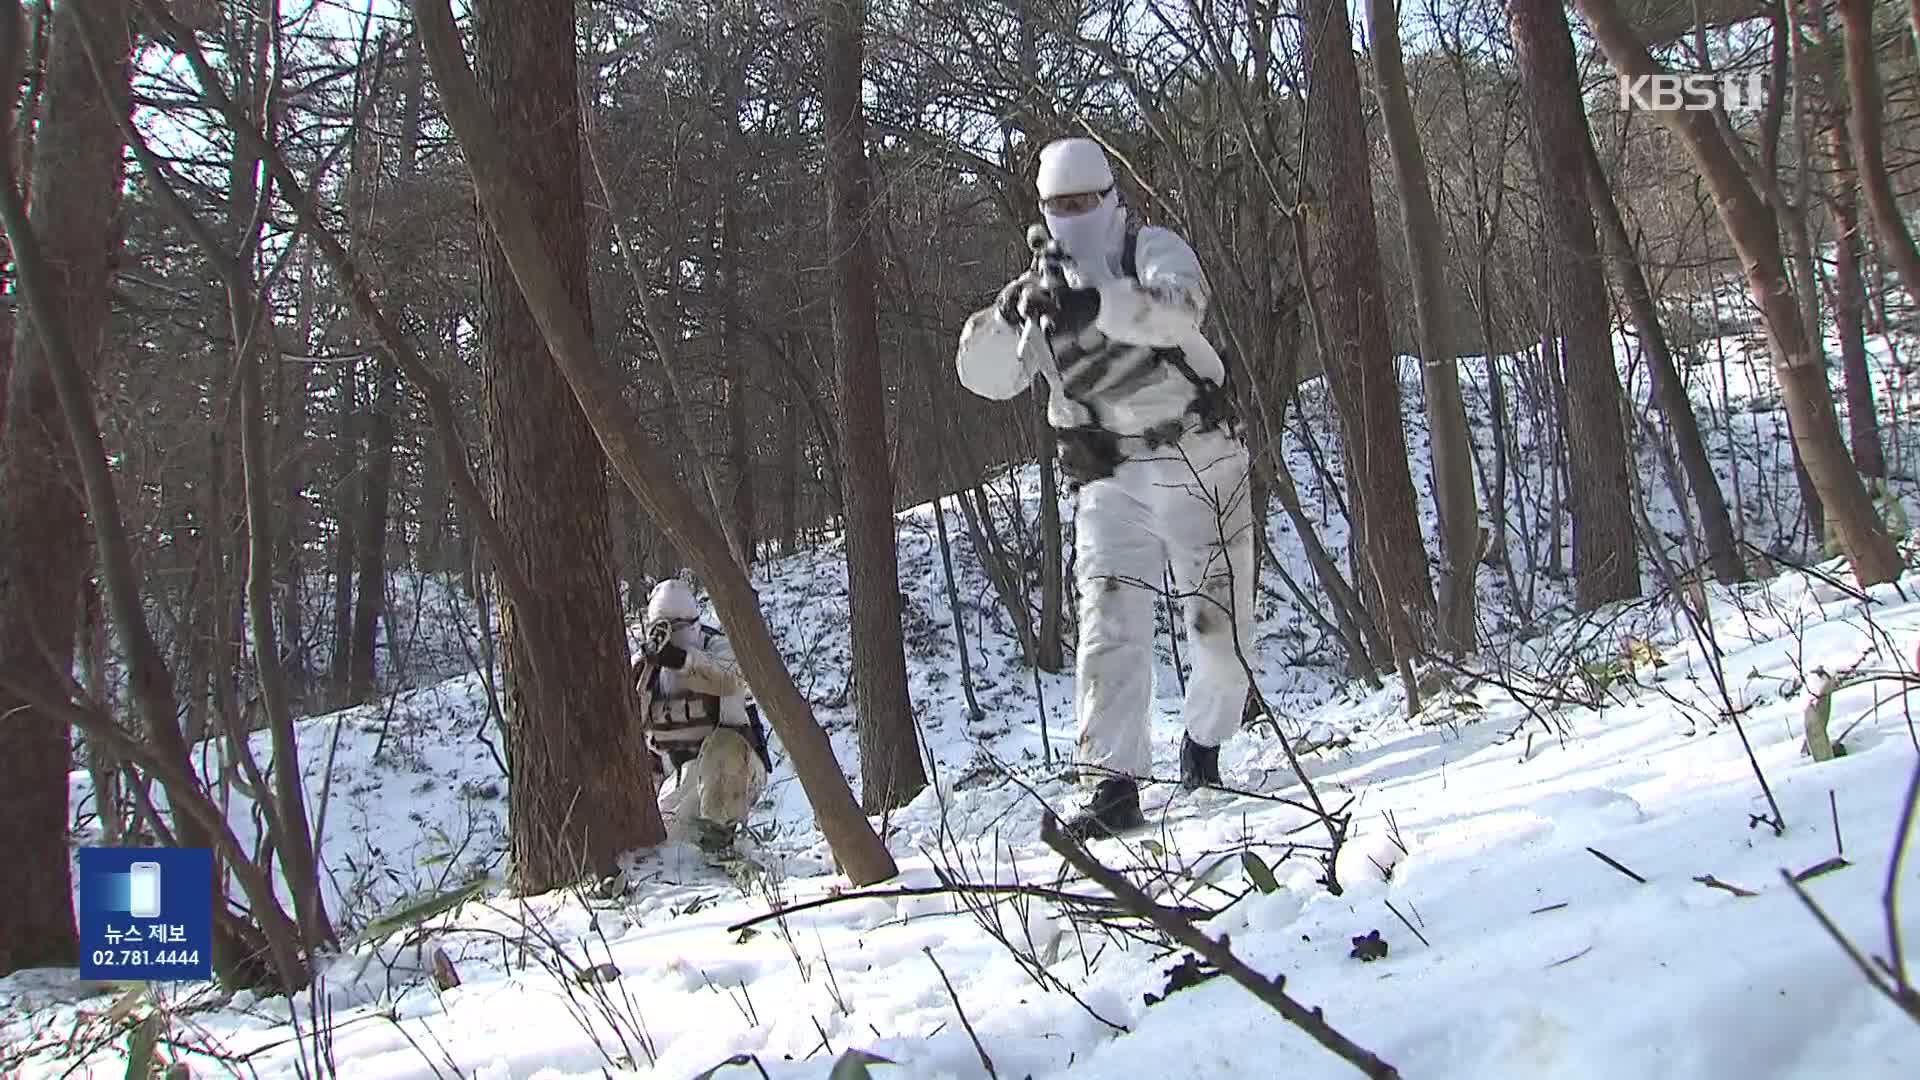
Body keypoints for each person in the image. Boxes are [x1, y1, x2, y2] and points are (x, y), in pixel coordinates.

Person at [953, 136, 1256, 840]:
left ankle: (1205, 740)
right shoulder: (1039, 296)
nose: (1072, 216)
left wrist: (1104, 304)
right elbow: (987, 379)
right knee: (1109, 629)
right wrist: (1006, 316)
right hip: (1110, 478)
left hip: (1197, 458)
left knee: (1222, 635)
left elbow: (1181, 309)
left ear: (1111, 198)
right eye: (1057, 206)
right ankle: (1113, 784)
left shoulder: (1149, 251)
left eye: (1083, 201)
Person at [632, 578, 774, 853]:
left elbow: (727, 680)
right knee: (672, 840)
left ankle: (721, 843)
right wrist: (646, 671)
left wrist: (680, 659)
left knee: (724, 747)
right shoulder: (645, 671)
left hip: (737, 771)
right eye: (662, 629)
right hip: (678, 778)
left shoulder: (720, 648)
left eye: (678, 627)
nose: (670, 635)